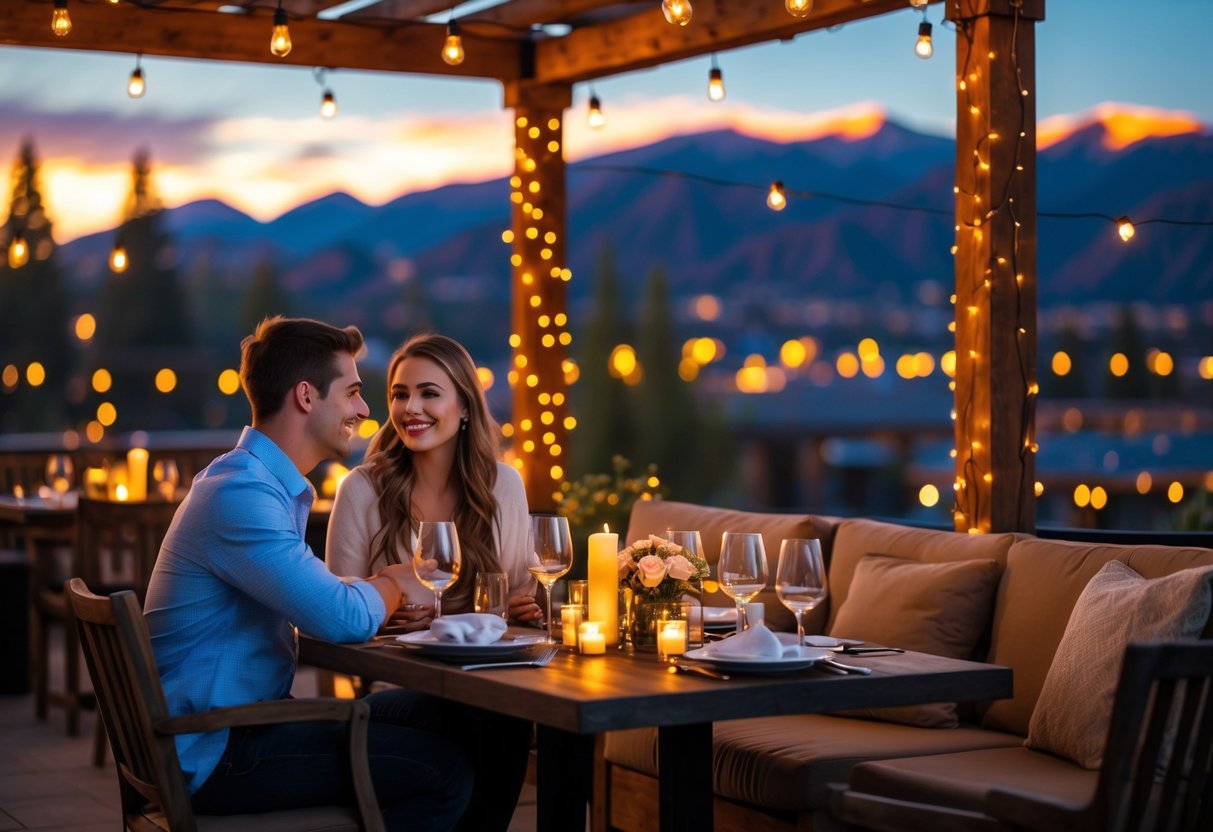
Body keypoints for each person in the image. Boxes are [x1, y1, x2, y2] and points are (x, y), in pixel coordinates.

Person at [143, 317, 472, 831]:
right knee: (441, 769)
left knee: (457, 717)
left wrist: (374, 591)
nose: (366, 410)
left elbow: (323, 595)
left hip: (234, 728)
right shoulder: (241, 497)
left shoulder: (254, 484)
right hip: (219, 749)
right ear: (305, 396)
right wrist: (396, 582)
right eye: (354, 393)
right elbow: (340, 617)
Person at [326, 333, 538, 832]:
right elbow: (336, 608)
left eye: (428, 393)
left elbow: (516, 595)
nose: (410, 408)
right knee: (488, 715)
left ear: (464, 405)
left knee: (501, 710)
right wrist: (380, 611)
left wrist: (526, 607)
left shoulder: (502, 485)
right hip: (401, 691)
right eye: (400, 394)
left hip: (481, 690)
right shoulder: (363, 489)